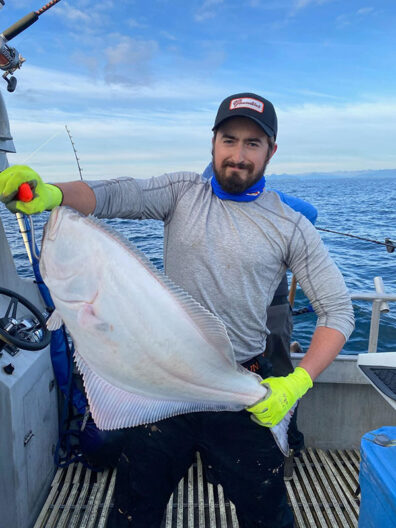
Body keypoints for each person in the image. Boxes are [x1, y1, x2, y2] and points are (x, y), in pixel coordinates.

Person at [0, 92, 355, 528]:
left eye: (252, 143)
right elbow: (116, 195)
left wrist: (297, 383)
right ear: (212, 143)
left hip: (239, 386)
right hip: (163, 388)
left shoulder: (291, 225)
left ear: (271, 151)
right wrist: (52, 193)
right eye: (229, 140)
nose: (238, 155)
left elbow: (337, 311)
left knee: (268, 518)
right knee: (133, 513)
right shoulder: (183, 192)